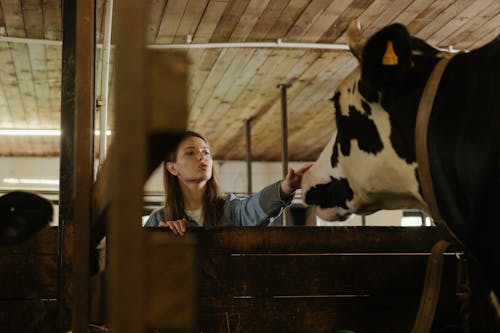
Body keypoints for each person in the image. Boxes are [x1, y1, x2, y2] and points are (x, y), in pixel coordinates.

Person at [144, 131, 313, 235]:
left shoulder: (230, 209)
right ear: (173, 168)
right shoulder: (158, 220)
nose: (202, 157)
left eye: (206, 152)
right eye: (190, 153)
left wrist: (286, 187)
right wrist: (160, 238)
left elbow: (253, 208)